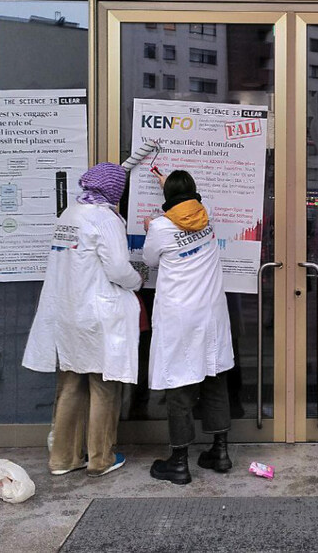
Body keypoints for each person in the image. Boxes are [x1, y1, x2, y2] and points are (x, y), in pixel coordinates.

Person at [23, 162, 142, 477]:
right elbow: (117, 268)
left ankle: (63, 459)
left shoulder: (70, 214)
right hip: (96, 314)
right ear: (115, 190)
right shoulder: (105, 219)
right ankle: (100, 459)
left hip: (66, 312)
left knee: (70, 385)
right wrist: (137, 282)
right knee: (104, 386)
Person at [143, 169, 235, 485]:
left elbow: (150, 260)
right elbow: (187, 210)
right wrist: (171, 190)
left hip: (179, 316)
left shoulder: (159, 226)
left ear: (168, 198)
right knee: (214, 375)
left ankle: (179, 463)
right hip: (211, 313)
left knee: (180, 384)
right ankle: (220, 453)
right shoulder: (205, 221)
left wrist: (149, 228)